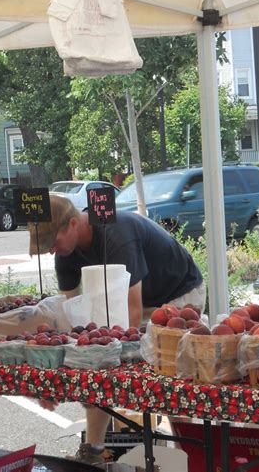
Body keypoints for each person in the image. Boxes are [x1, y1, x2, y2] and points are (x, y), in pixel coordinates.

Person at [28, 194, 206, 466]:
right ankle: (94, 450)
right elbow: (69, 319)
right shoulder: (66, 253)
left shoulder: (117, 234)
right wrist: (58, 373)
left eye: (53, 242)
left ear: (73, 224)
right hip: (132, 301)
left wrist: (106, 359)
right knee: (94, 363)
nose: (51, 250)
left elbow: (132, 313)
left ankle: (192, 454)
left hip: (177, 295)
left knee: (171, 376)